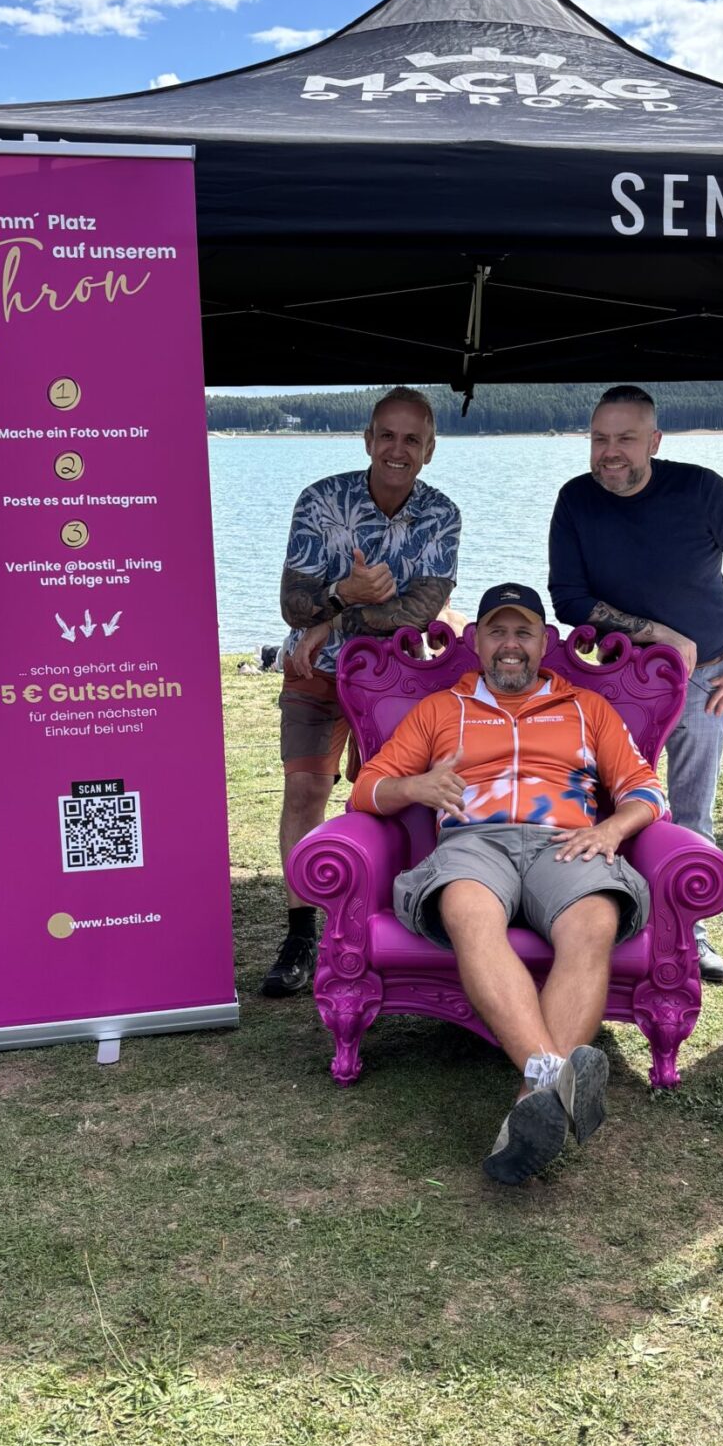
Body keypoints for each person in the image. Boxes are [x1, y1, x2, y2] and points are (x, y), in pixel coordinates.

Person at [349, 583, 668, 1185]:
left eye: (524, 632)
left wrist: (612, 828)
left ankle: (532, 1099)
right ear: (477, 642)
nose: (511, 645)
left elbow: (645, 788)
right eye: (498, 632)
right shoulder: (441, 709)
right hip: (475, 843)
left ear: (545, 642)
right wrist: (414, 787)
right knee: (468, 913)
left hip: (564, 841)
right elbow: (367, 789)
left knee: (595, 921)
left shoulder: (586, 708)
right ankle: (553, 1079)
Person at [548, 386, 723, 985]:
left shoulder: (700, 490)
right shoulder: (575, 499)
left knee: (691, 812)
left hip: (706, 680)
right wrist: (658, 632)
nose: (610, 452)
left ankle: (689, 934)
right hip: (614, 682)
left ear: (653, 441)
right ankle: (604, 924)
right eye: (600, 439)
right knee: (606, 805)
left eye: (625, 439)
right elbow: (568, 598)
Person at [263, 387, 461, 998]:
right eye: (387, 436)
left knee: (397, 798)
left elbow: (422, 610)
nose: (397, 449)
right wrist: (343, 594)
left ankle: (389, 920)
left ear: (429, 449)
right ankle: (301, 933)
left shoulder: (443, 515)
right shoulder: (321, 501)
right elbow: (292, 603)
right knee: (305, 792)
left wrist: (334, 619)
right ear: (368, 439)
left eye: (412, 439)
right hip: (316, 671)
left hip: (400, 679)